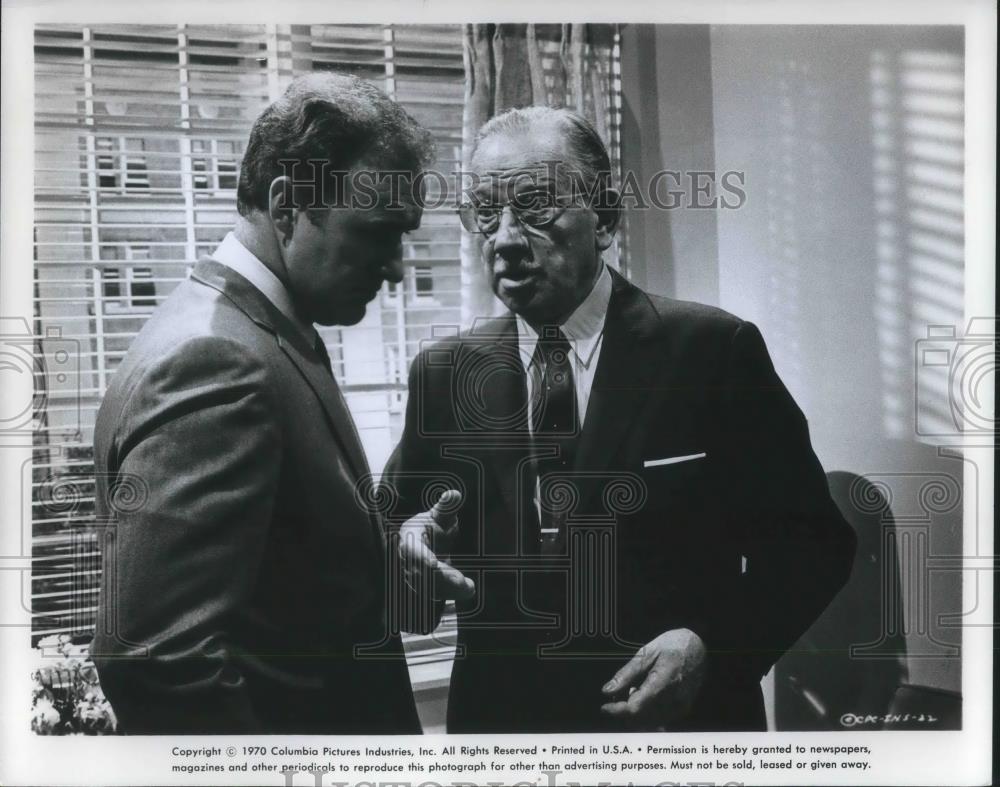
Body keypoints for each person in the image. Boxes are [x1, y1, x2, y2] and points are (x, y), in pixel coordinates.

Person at [382, 106, 858, 732]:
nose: (503, 238)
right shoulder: (443, 373)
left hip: (674, 734)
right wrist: (409, 545)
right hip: (503, 733)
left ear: (604, 218)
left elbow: (814, 543)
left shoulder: (712, 350)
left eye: (533, 207)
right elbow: (397, 533)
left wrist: (714, 645)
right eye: (484, 212)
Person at [90, 73, 468, 734]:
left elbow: (286, 583)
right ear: (291, 204)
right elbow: (158, 663)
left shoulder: (263, 332)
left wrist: (387, 558)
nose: (397, 268)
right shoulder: (216, 361)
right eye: (380, 232)